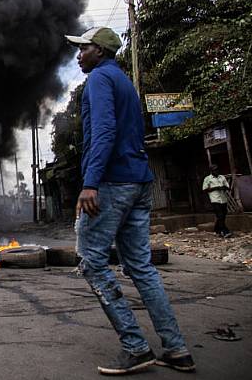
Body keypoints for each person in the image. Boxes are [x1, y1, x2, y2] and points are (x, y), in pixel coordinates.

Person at [66, 27, 195, 375]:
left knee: (91, 262)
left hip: (112, 183)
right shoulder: (123, 81)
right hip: (139, 182)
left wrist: (91, 183)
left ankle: (135, 346)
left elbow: (104, 131)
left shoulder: (99, 80)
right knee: (141, 266)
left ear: (101, 52)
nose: (79, 55)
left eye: (84, 48)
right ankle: (177, 348)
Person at [202, 164, 232, 237]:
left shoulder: (222, 177)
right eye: (215, 170)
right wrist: (215, 188)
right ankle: (225, 231)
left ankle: (217, 229)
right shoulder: (207, 179)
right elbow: (204, 190)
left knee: (223, 215)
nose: (216, 171)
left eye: (217, 169)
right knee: (220, 215)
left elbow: (228, 187)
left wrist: (223, 187)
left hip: (223, 199)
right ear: (211, 171)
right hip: (215, 199)